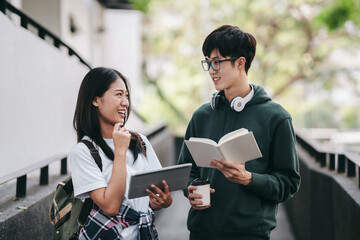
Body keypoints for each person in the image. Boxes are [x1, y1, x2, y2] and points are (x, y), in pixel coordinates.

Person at [177, 25, 301, 240]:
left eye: (217, 62)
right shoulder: (201, 115)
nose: (211, 70)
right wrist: (190, 189)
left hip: (250, 233)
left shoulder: (277, 117)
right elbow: (186, 171)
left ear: (240, 62)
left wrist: (249, 178)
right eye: (208, 62)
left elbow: (289, 182)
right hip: (201, 231)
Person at [70, 67, 172, 240]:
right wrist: (120, 151)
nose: (125, 102)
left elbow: (158, 192)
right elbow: (110, 206)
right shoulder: (84, 152)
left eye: (126, 96)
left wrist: (163, 201)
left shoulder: (140, 142)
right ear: (96, 100)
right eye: (118, 95)